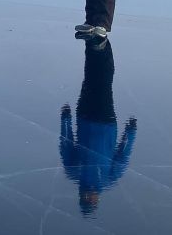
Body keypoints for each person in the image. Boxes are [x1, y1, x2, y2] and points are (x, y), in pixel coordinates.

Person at [59, 37, 137, 217]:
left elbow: (66, 145)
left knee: (90, 78)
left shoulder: (75, 174)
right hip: (105, 121)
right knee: (104, 81)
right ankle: (102, 44)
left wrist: (65, 120)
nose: (90, 197)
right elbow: (122, 155)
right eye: (92, 201)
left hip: (84, 116)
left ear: (81, 197)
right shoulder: (109, 179)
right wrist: (130, 133)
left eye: (87, 199)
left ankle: (92, 43)